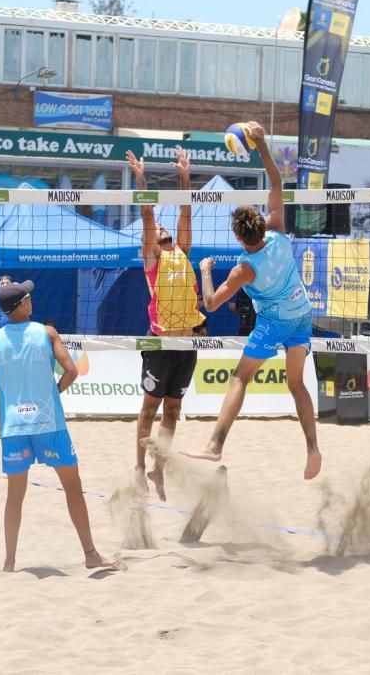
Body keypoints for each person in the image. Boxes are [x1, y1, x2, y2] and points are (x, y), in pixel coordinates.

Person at [183, 121, 321, 481]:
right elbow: (276, 183)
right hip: (302, 314)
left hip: (275, 320)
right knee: (296, 384)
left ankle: (215, 444)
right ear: (261, 224)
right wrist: (260, 142)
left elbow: (210, 304)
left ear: (238, 235)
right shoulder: (278, 233)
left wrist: (205, 269)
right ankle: (312, 448)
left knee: (240, 378)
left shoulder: (244, 269)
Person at [0, 280, 114, 571]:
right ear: (22, 305)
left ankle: (10, 562)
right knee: (73, 488)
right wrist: (54, 392)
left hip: (14, 427)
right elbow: (72, 372)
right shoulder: (46, 332)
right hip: (49, 423)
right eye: (28, 297)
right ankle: (90, 554)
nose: (31, 299)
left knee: (15, 496)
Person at [126, 148, 206, 501]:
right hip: (160, 345)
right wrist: (141, 179)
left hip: (186, 346)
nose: (160, 227)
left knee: (173, 410)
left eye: (163, 226)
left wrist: (184, 176)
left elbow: (186, 210)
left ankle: (160, 467)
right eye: (157, 227)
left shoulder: (182, 253)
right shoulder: (152, 258)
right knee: (149, 408)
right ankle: (140, 468)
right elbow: (146, 215)